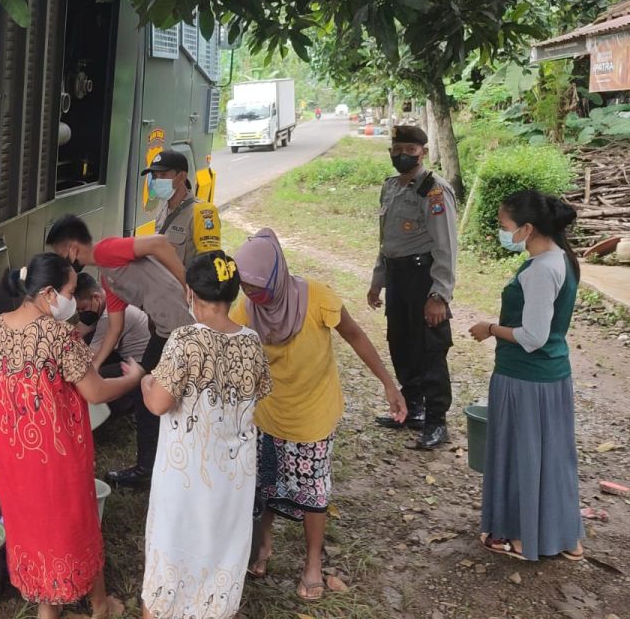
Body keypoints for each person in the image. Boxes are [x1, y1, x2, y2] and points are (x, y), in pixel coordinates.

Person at [234, 229, 406, 602]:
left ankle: (312, 563)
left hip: (312, 413)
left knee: (313, 492)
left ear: (276, 274)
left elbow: (355, 335)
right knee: (263, 486)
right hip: (267, 413)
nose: (251, 294)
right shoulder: (246, 308)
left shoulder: (317, 298)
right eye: (244, 286)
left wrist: (388, 384)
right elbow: (226, 343)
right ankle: (264, 546)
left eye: (256, 287)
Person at [0, 253, 144, 619]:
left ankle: (48, 608)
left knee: (32, 526)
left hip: (11, 452)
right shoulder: (59, 336)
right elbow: (96, 392)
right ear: (50, 293)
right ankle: (100, 606)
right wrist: (133, 380)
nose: (73, 299)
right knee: (74, 522)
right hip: (56, 455)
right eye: (70, 290)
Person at [140, 251, 272, 619]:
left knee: (172, 548)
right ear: (234, 296)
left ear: (189, 293)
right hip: (232, 476)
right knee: (221, 552)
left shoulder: (184, 340)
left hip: (186, 477)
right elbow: (257, 392)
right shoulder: (251, 342)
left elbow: (158, 404)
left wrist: (147, 381)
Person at [467, 190, 584, 562]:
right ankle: (565, 537)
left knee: (520, 456)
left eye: (505, 225)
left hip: (525, 378)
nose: (503, 232)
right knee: (552, 458)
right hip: (553, 376)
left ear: (528, 228)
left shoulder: (540, 270)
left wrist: (490, 328)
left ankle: (519, 537)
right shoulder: (562, 259)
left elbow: (532, 337)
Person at [46, 214, 191, 488]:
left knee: (146, 386)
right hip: (162, 330)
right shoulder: (107, 276)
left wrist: (187, 285)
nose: (62, 263)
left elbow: (159, 242)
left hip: (178, 327)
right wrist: (94, 368)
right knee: (148, 387)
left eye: (60, 254)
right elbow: (114, 328)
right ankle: (157, 464)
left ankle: (148, 470)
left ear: (73, 249)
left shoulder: (106, 250)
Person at [367, 124, 458, 450]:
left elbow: (446, 247)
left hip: (424, 278)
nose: (402, 155)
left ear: (423, 152)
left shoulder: (434, 191)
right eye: (397, 149)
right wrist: (378, 281)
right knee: (400, 342)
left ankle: (436, 421)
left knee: (430, 349)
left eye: (410, 150)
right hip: (398, 277)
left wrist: (439, 295)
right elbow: (386, 240)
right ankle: (412, 407)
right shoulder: (390, 187)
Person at [75, 272, 152, 417]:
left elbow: (91, 357)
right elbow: (77, 332)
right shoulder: (101, 306)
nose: (81, 313)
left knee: (93, 378)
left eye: (83, 308)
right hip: (128, 356)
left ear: (96, 297)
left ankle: (126, 405)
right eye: (78, 310)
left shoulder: (109, 317)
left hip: (142, 366)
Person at [142, 149, 222, 266]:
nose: (157, 181)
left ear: (182, 177)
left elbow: (210, 263)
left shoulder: (202, 212)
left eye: (163, 175)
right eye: (154, 176)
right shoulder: (163, 206)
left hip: (184, 283)